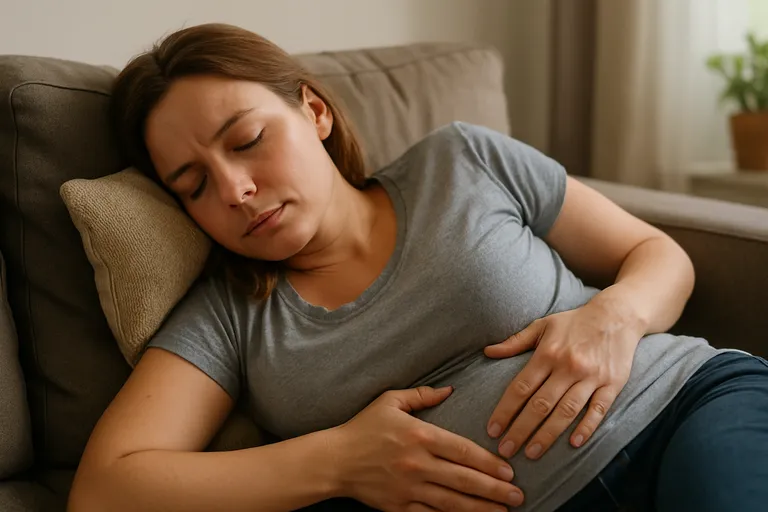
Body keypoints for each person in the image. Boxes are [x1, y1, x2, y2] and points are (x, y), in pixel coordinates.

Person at [68, 23, 768, 512]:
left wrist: (615, 317)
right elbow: (105, 490)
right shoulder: (226, 317)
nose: (233, 190)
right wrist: (339, 462)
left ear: (314, 111)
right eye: (193, 185)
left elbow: (656, 254)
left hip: (682, 407)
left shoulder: (460, 161)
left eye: (247, 140)